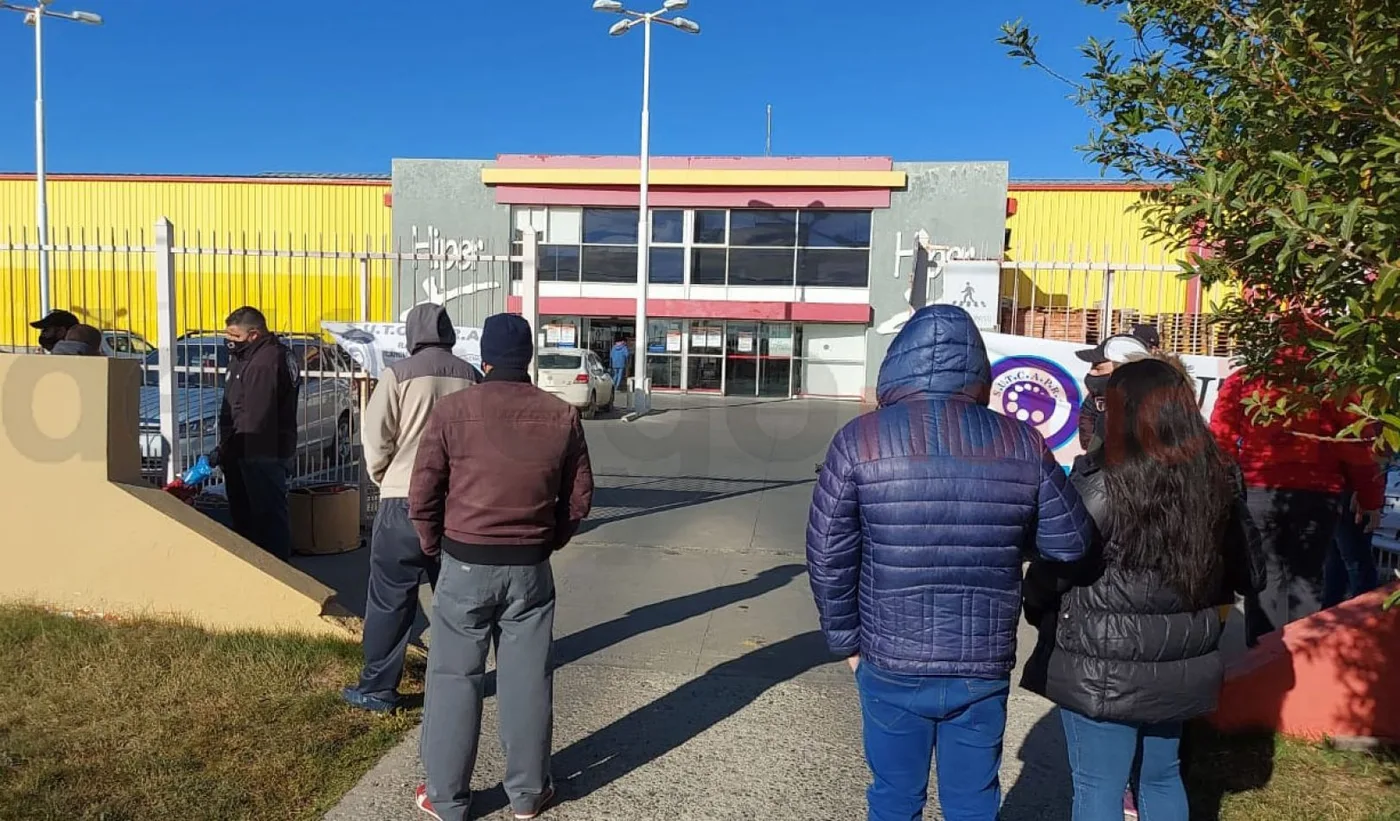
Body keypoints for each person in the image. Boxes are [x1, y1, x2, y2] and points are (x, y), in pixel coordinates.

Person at [806, 304, 1094, 821]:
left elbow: (828, 554)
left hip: (889, 653)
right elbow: (1071, 541)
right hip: (980, 658)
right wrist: (1010, 536)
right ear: (977, 368)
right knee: (973, 800)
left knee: (894, 797)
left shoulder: (859, 439)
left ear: (898, 363)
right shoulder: (1021, 441)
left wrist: (846, 640)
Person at [409, 313, 593, 821]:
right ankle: (529, 795)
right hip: (530, 565)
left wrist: (435, 544)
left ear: (484, 359)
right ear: (528, 358)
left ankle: (446, 799)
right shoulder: (561, 415)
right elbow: (579, 497)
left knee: (453, 678)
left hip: (465, 561)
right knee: (527, 679)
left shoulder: (452, 412)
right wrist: (548, 540)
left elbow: (422, 493)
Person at [341, 303, 480, 714]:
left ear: (411, 335)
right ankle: (456, 684)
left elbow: (376, 437)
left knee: (390, 598)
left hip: (402, 498)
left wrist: (387, 478)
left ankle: (378, 688)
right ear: (450, 334)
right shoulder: (470, 377)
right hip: (456, 503)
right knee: (455, 600)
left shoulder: (397, 374)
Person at [1210, 363, 1385, 644]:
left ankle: (1259, 660)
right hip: (1317, 493)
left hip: (1260, 487)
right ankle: (1299, 654)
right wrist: (1369, 497)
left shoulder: (1247, 376)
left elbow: (1222, 436)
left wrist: (1226, 489)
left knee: (1265, 579)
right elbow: (1356, 444)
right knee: (1306, 580)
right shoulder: (1331, 380)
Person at [210, 306, 300, 562]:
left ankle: (276, 571)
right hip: (245, 449)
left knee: (267, 519)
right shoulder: (247, 356)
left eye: (234, 336)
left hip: (260, 450)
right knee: (247, 516)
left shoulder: (266, 361)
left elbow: (254, 414)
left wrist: (228, 448)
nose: (229, 341)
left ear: (253, 334)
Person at [1322, 448, 1391, 608]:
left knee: (1345, 561)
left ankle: (1355, 612)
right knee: (1348, 562)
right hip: (1345, 490)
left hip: (1344, 490)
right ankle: (1361, 614)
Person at [1075, 326, 1157, 450]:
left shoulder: (1158, 413)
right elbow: (1087, 422)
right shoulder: (1099, 401)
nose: (1090, 374)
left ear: (1123, 372)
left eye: (1098, 369)